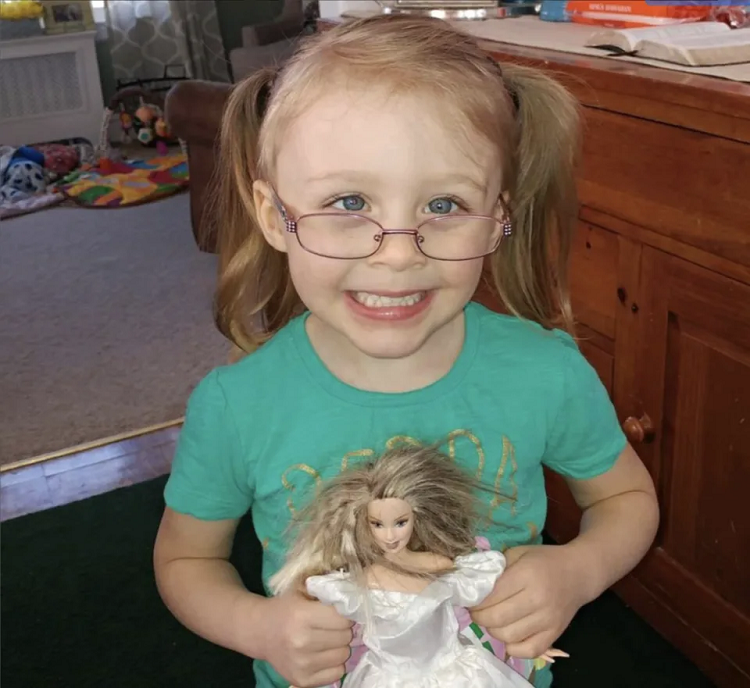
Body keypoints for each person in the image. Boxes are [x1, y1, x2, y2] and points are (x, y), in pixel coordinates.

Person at [153, 13, 659, 688]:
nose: (396, 255)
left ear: (498, 218)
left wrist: (578, 571)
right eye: (349, 201)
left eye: (443, 206)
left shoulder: (545, 372)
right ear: (275, 218)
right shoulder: (237, 404)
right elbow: (186, 560)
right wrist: (260, 627)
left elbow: (625, 499)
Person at [270, 443, 566, 688]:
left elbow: (479, 613)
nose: (390, 535)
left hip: (453, 673)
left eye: (400, 523)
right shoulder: (358, 581)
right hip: (385, 677)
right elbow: (341, 637)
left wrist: (528, 641)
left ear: (416, 516)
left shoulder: (438, 564)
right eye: (378, 524)